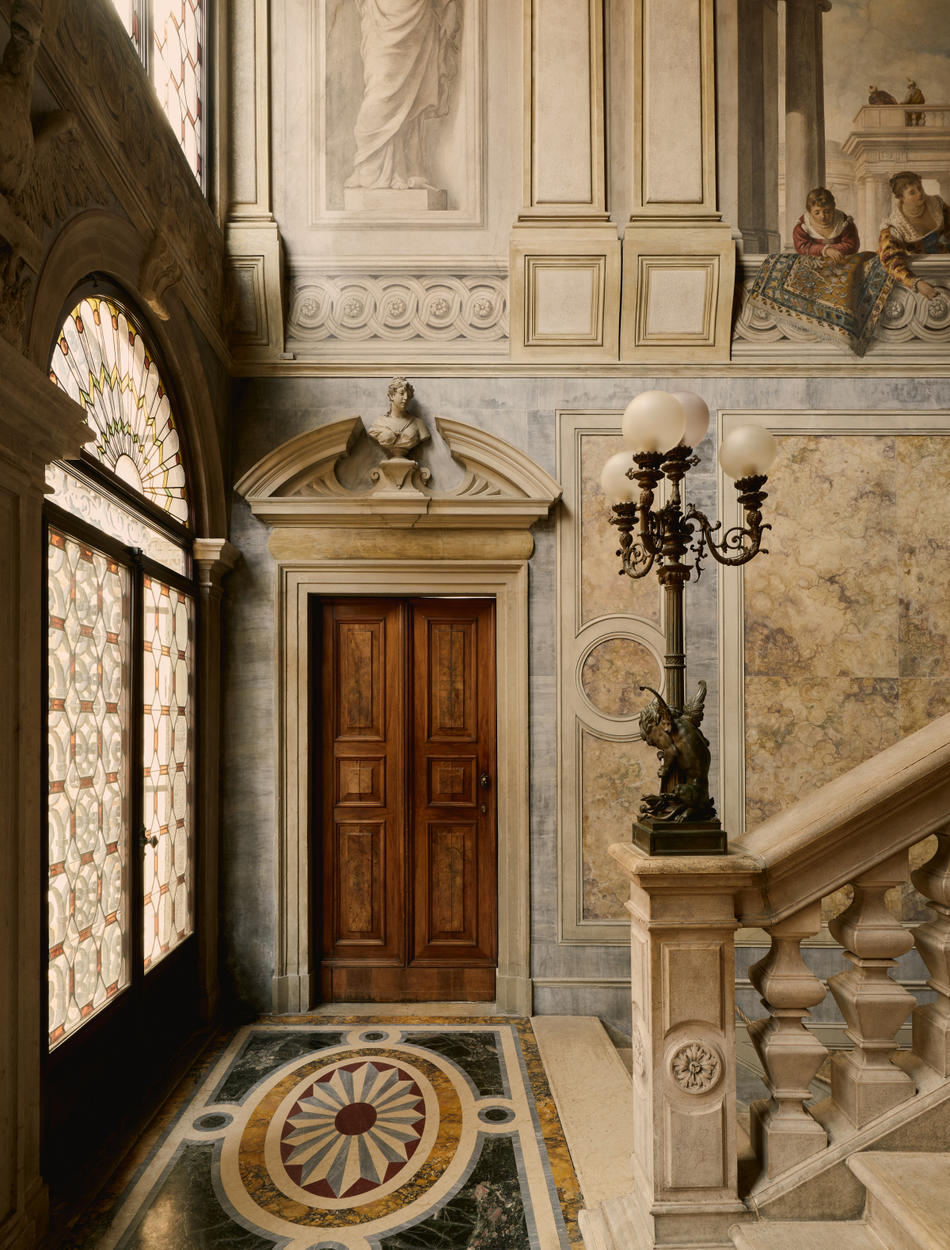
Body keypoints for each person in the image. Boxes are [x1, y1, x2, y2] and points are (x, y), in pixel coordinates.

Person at [345, 0, 460, 192]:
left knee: (410, 96)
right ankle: (370, 164)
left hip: (416, 16)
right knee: (380, 89)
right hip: (379, 17)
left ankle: (403, 169)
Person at [877, 170, 950, 301]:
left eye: (919, 187)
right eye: (912, 192)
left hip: (942, 262)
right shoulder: (893, 227)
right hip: (918, 271)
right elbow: (891, 261)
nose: (920, 194)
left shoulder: (936, 205)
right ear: (900, 197)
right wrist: (917, 283)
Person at [792, 187, 860, 262]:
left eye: (827, 211)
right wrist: (825, 250)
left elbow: (852, 245)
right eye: (817, 213)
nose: (822, 216)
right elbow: (802, 247)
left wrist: (831, 250)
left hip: (840, 261)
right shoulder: (803, 226)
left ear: (833, 208)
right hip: (813, 263)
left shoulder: (844, 222)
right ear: (810, 212)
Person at [368, 377, 429, 454]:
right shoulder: (378, 423)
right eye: (401, 393)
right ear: (391, 396)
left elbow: (424, 435)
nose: (406, 398)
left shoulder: (419, 423)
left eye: (408, 395)